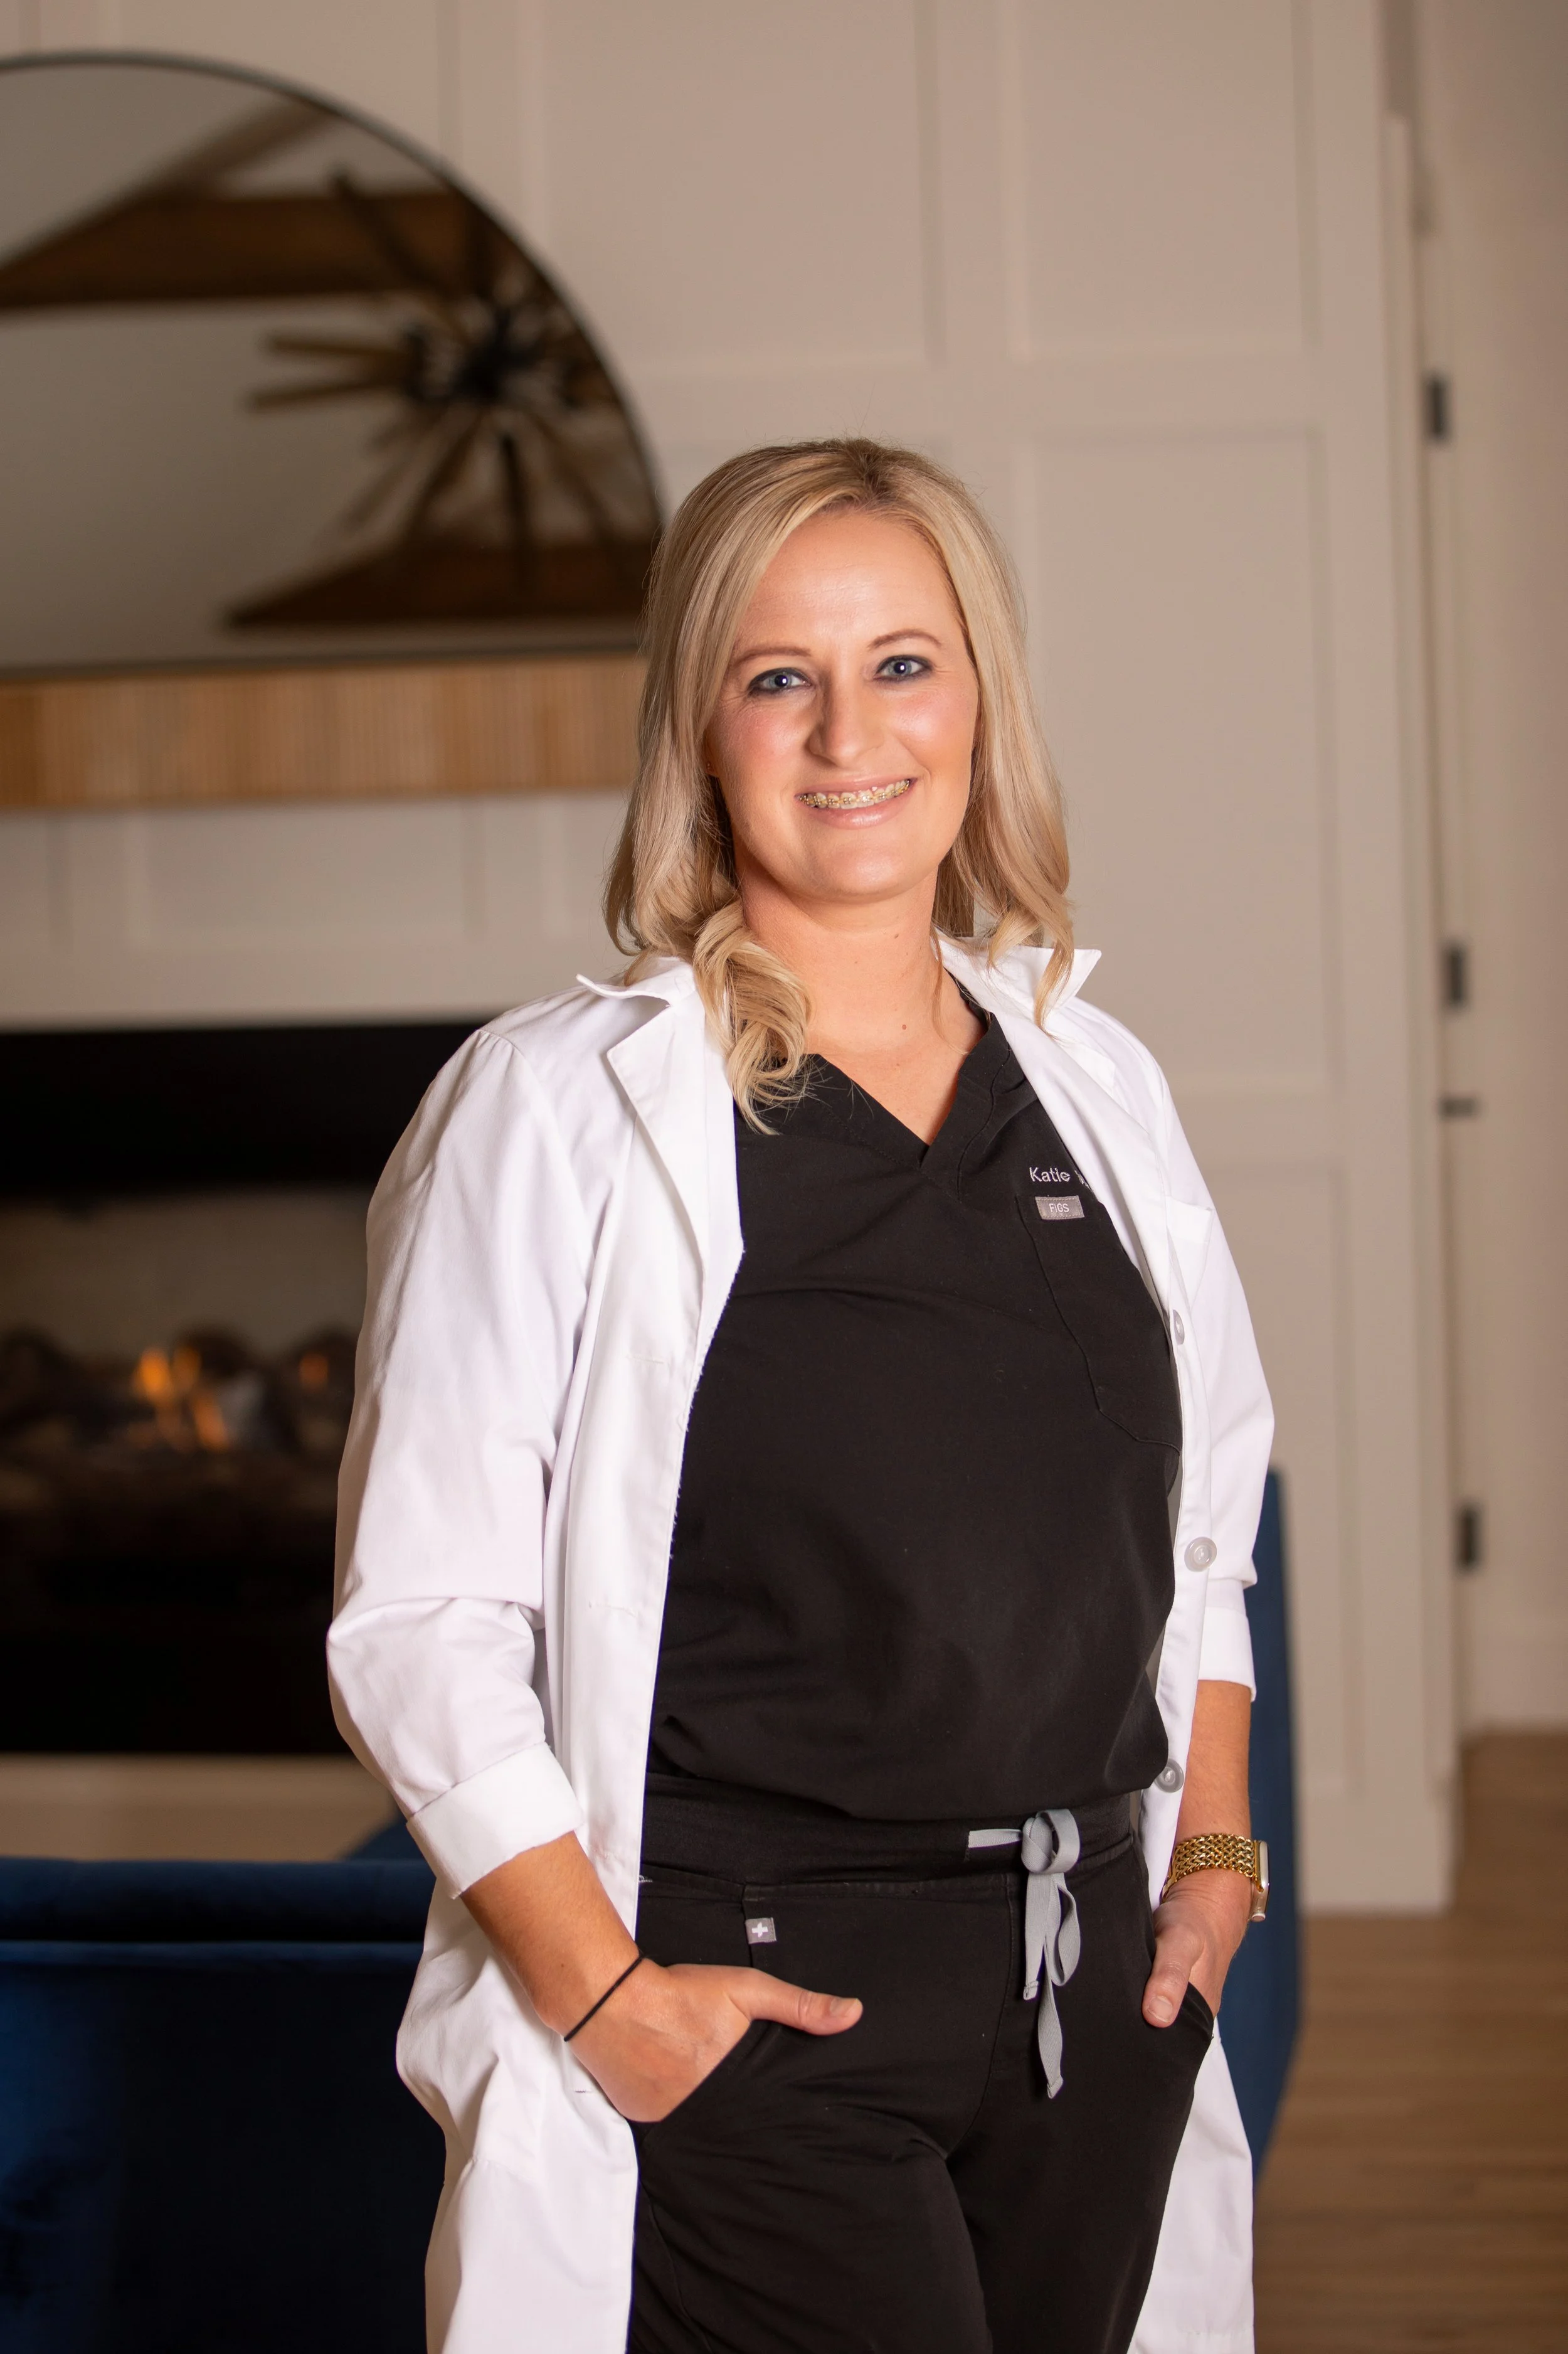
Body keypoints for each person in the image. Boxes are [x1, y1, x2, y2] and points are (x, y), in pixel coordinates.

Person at [329, 437, 1273, 2354]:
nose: (851, 732)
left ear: (980, 702)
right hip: (751, 2006)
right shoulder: (556, 1110)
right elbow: (420, 1616)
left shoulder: (1099, 1087)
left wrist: (1216, 1864)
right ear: (699, 731)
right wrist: (607, 2004)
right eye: (779, 677)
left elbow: (1197, 1538)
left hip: (1090, 1998)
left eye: (903, 664)